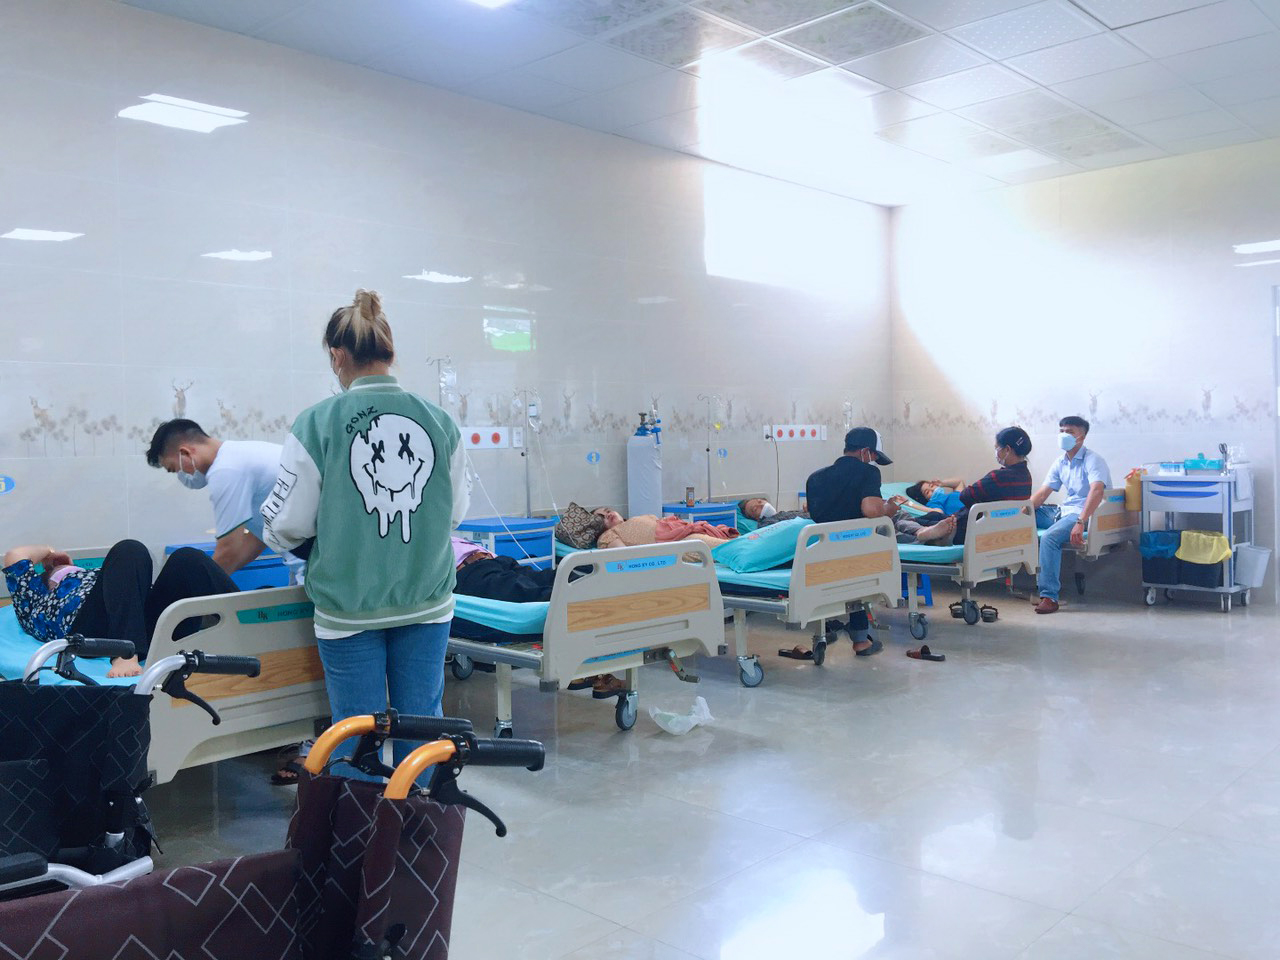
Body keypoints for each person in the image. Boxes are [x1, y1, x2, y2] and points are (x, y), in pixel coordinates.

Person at [262, 289, 468, 781]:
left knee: (355, 735)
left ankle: (361, 826)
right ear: (389, 352)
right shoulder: (440, 422)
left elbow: (287, 525)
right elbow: (454, 515)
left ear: (337, 356)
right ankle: (420, 821)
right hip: (427, 601)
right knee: (423, 728)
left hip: (348, 607)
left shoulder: (317, 424)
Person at [2, 539, 237, 677]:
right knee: (129, 549)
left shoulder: (105, 576)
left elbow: (126, 587)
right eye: (57, 572)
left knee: (187, 558)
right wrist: (49, 552)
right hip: (90, 630)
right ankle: (125, 654)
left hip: (144, 622)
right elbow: (15, 556)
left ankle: (248, 627)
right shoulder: (34, 600)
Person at [449, 536, 624, 697]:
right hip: (467, 572)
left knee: (556, 578)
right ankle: (601, 605)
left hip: (496, 561)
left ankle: (611, 592)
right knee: (527, 593)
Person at [146, 420, 297, 577]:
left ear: (185, 453)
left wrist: (199, 587)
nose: (181, 474)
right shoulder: (240, 454)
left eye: (174, 468)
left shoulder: (226, 471)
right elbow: (258, 537)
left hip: (307, 559)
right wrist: (217, 578)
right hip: (306, 557)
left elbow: (228, 550)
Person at [804, 427, 901, 656]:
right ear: (865, 452)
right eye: (874, 456)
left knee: (833, 579)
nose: (874, 461)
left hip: (820, 552)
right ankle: (861, 640)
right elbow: (871, 509)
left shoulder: (815, 477)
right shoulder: (868, 472)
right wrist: (889, 509)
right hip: (854, 552)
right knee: (860, 583)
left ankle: (825, 630)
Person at [894, 426, 1034, 546]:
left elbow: (966, 496)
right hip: (999, 532)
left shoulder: (997, 477)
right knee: (933, 516)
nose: (996, 452)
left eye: (997, 448)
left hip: (967, 529)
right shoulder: (1026, 478)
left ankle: (927, 534)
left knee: (900, 524)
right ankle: (930, 533)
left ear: (1007, 450)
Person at [1029, 416, 1111, 614]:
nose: (1064, 435)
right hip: (1062, 511)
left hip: (1084, 513)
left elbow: (1097, 491)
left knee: (1049, 538)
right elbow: (1043, 494)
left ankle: (1049, 597)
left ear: (1081, 437)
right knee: (1021, 519)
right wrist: (1022, 511)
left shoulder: (1093, 460)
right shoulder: (1061, 462)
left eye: (1070, 432)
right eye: (1061, 431)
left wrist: (1081, 521)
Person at [592, 508, 737, 550]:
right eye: (602, 517)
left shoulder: (637, 518)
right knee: (728, 548)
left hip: (685, 532)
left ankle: (750, 542)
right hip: (677, 545)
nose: (608, 514)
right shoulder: (608, 535)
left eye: (608, 510)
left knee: (733, 541)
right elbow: (625, 556)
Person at [738, 498, 807, 528]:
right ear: (756, 518)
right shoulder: (766, 524)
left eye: (760, 501)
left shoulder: (784, 513)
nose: (761, 505)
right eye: (755, 509)